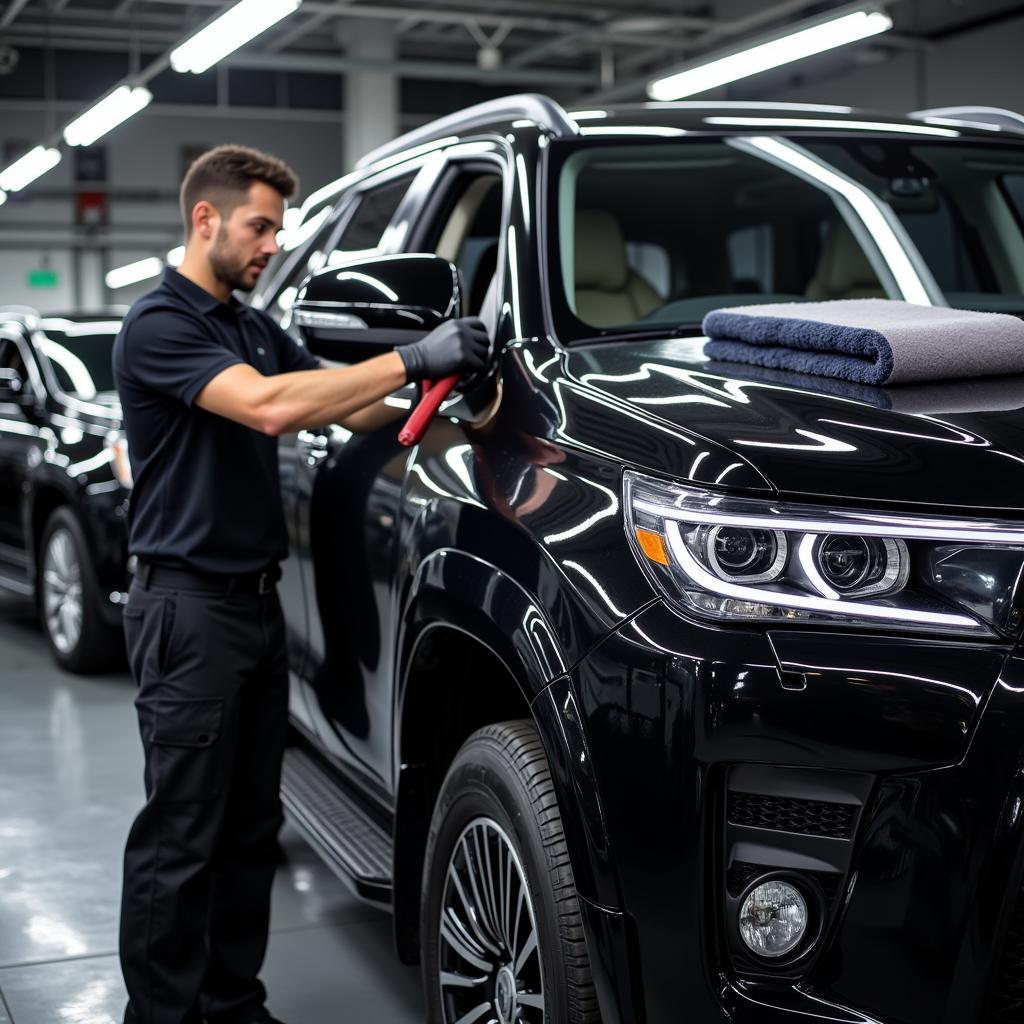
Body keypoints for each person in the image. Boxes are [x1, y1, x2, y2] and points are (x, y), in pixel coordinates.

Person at [112, 144, 488, 1024]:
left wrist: (442, 383)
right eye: (259, 226)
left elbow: (336, 399)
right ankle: (163, 1018)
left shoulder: (246, 324)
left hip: (250, 608)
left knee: (248, 832)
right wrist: (410, 357)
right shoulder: (160, 324)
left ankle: (234, 1007)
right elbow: (272, 407)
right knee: (182, 839)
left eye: (277, 227)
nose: (272, 244)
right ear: (204, 219)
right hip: (187, 611)